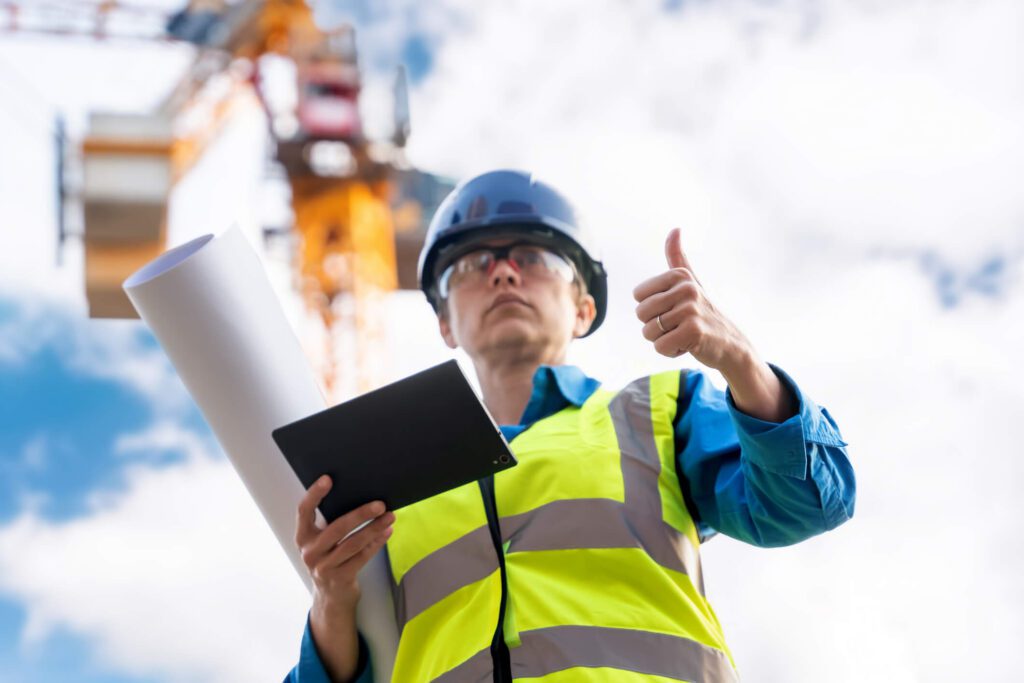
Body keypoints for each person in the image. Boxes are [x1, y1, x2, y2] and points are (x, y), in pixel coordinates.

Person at [283, 169, 855, 683]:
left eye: (536, 259)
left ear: (583, 308)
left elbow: (807, 502)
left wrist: (741, 362)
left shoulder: (658, 412)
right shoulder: (391, 483)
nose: (505, 274)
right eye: (473, 265)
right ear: (445, 325)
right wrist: (331, 598)